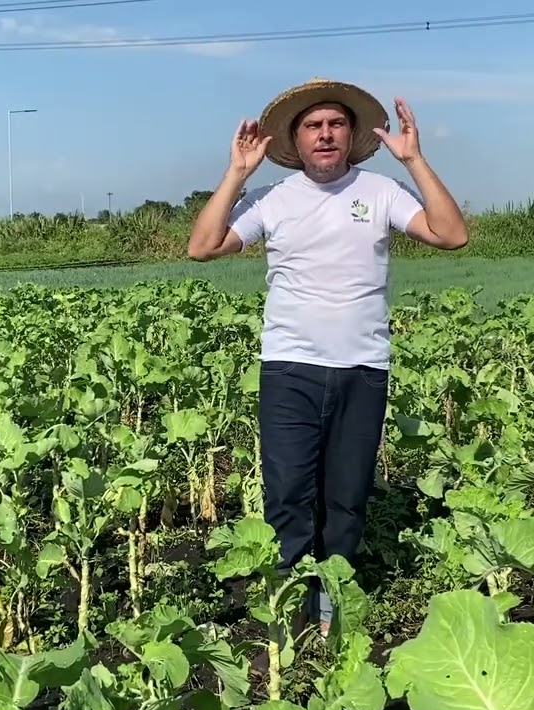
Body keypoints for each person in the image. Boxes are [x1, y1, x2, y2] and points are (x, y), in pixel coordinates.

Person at [187, 78, 469, 642]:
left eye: (336, 124)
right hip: (289, 368)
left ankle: (330, 609)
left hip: (362, 368)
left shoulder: (382, 191)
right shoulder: (273, 198)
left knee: (346, 497)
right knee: (288, 492)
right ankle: (290, 613)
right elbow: (203, 246)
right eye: (313, 126)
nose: (325, 134)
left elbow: (451, 234)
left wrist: (414, 161)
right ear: (295, 140)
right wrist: (237, 173)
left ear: (352, 135)